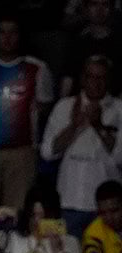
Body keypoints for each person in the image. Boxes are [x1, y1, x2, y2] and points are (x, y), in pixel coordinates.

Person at [0, 16, 54, 209]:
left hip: (21, 152)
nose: (7, 37)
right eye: (2, 32)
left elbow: (44, 106)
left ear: (20, 36)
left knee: (18, 208)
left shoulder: (37, 68)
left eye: (12, 32)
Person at [41, 56, 122, 238]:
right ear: (82, 79)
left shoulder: (119, 109)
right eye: (91, 77)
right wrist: (74, 125)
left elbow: (120, 157)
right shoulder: (64, 106)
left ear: (109, 80)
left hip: (106, 209)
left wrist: (99, 126)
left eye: (101, 78)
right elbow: (47, 153)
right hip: (67, 202)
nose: (96, 82)